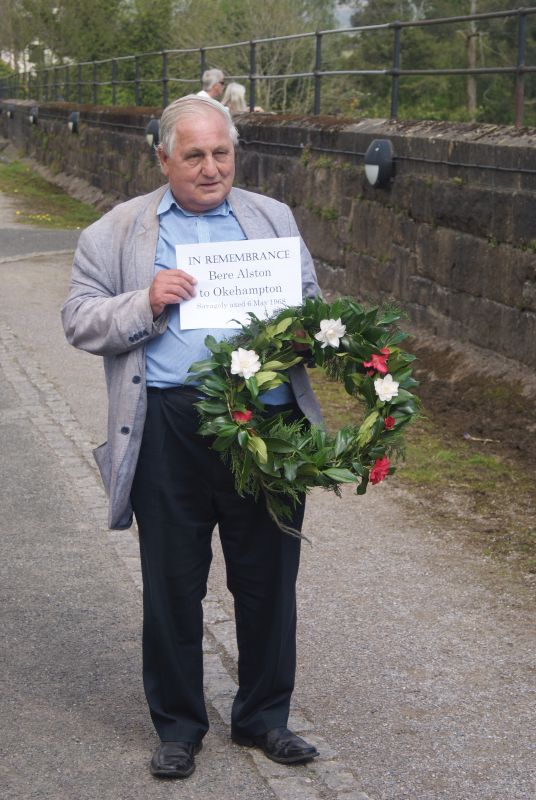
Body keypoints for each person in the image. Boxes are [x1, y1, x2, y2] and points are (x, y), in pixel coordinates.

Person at [61, 94, 322, 781]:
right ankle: (178, 726)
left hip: (267, 425)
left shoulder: (272, 218)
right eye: (194, 155)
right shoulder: (115, 233)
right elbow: (80, 320)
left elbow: (310, 300)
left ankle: (264, 718)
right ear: (163, 159)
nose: (211, 169)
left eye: (222, 153)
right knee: (173, 583)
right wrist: (144, 301)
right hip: (168, 425)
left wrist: (307, 329)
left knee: (269, 579)